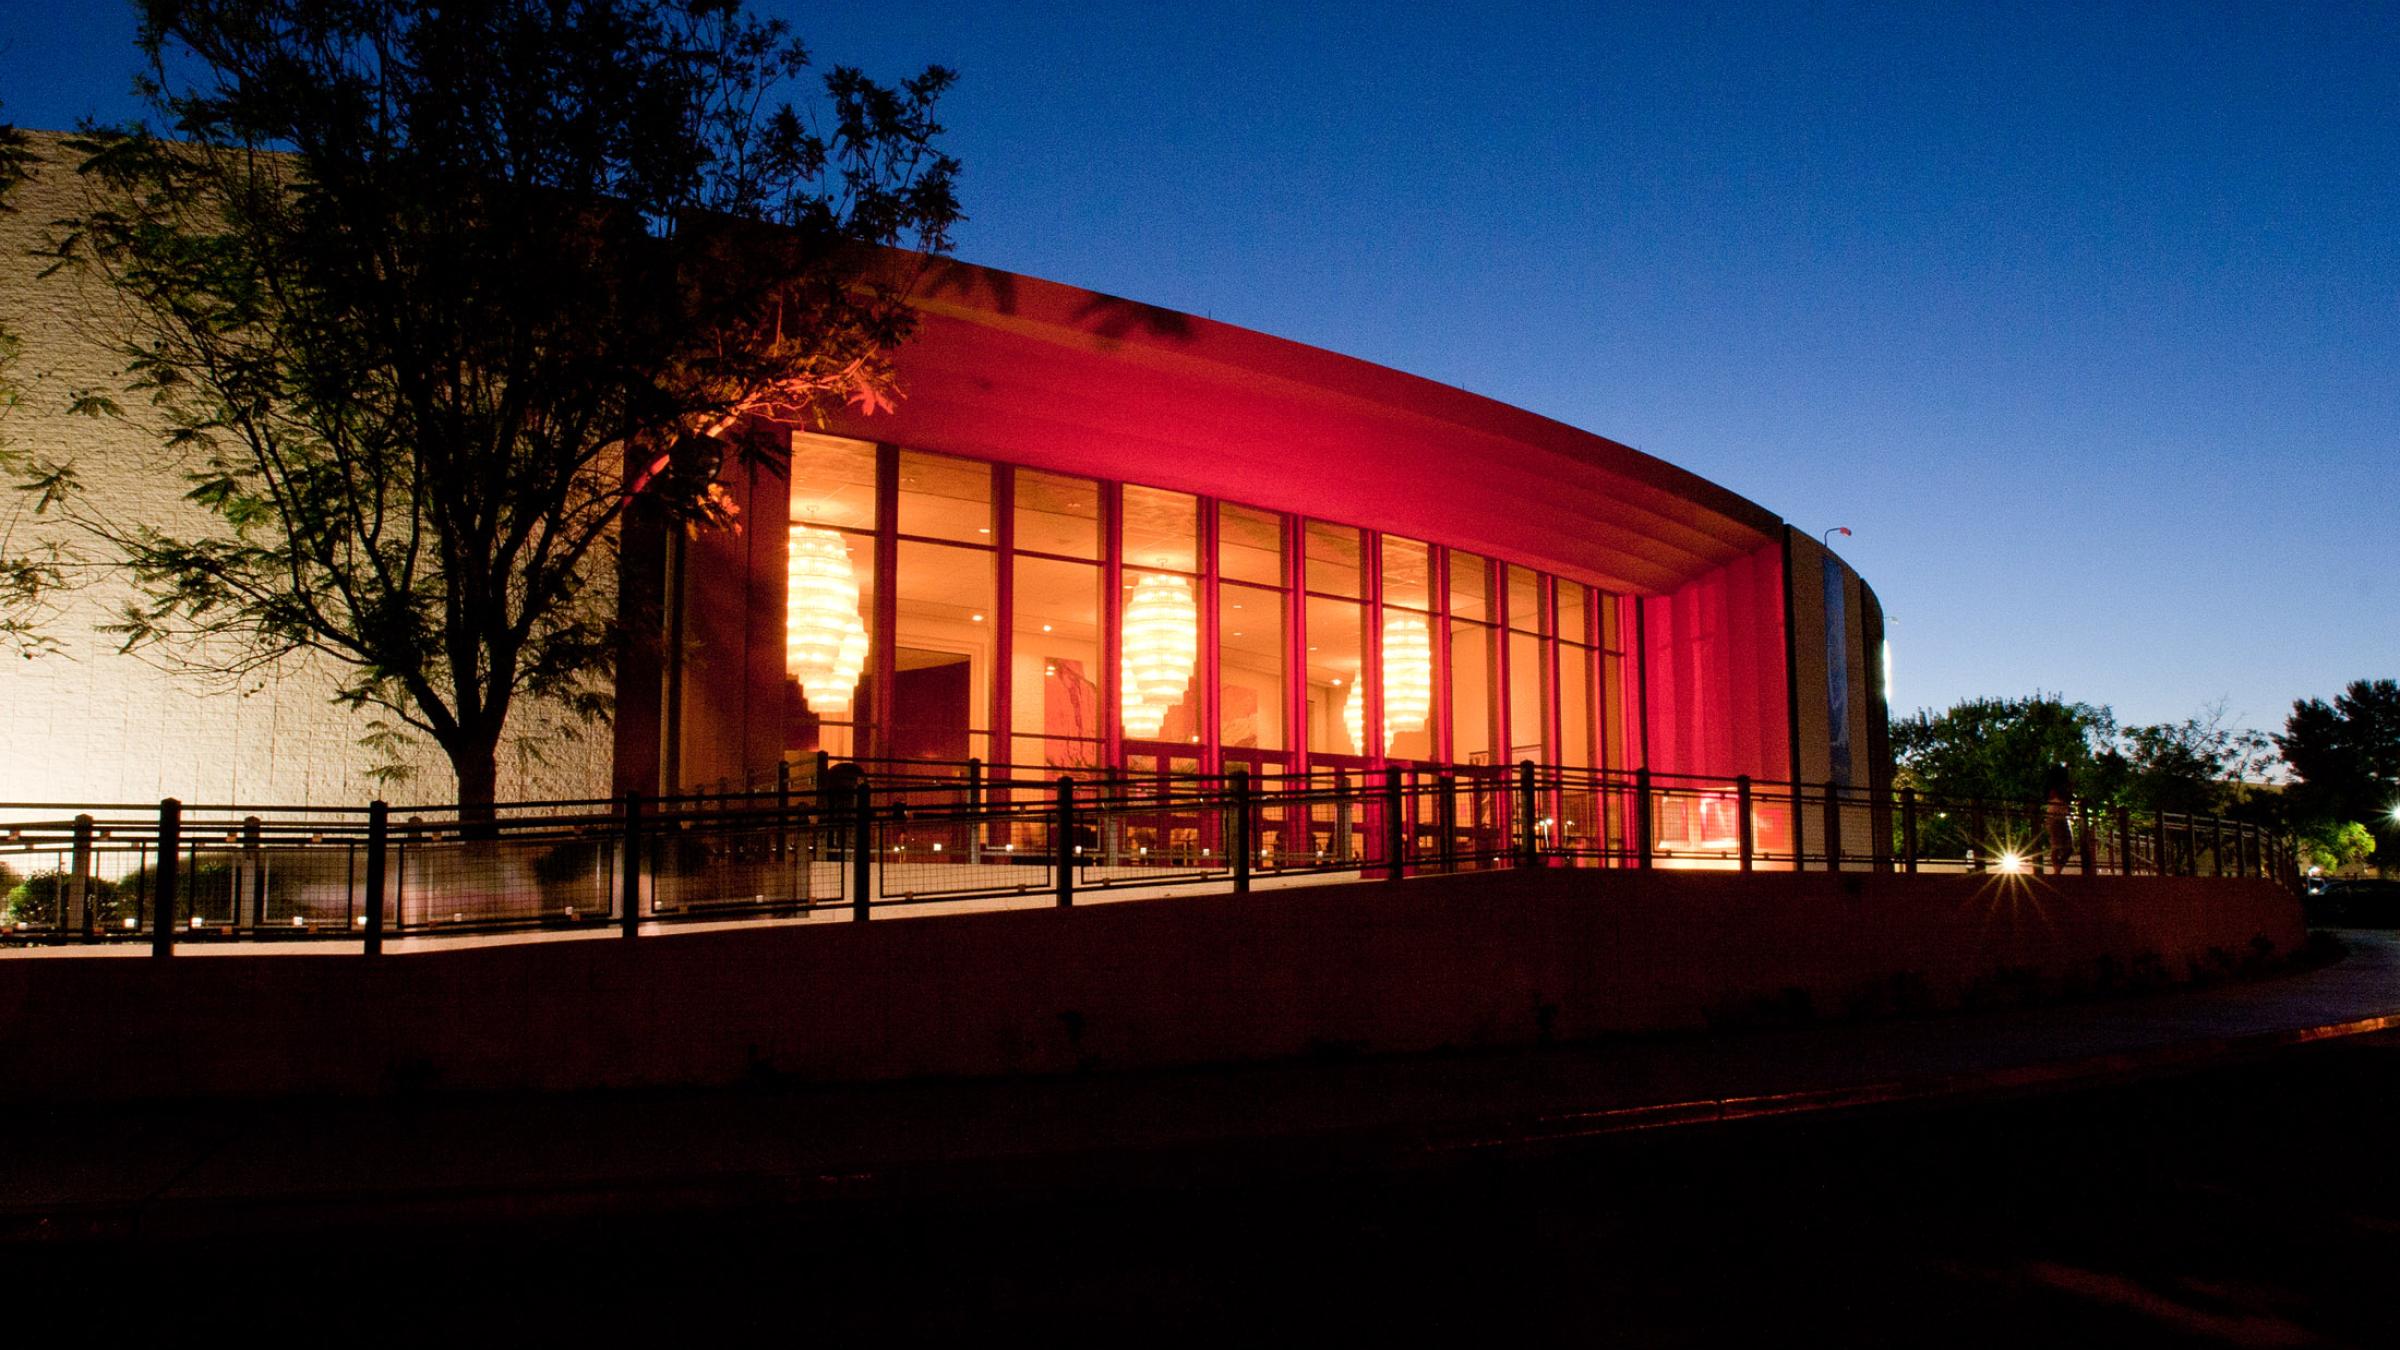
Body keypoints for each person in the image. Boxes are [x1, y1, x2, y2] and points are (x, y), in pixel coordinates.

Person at [2043, 762, 2075, 875]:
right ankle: (2057, 871)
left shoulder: (2057, 787)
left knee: (2067, 848)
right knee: (2057, 846)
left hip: (2061, 816)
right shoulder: (2055, 788)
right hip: (2055, 817)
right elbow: (2063, 798)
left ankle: (2057, 870)